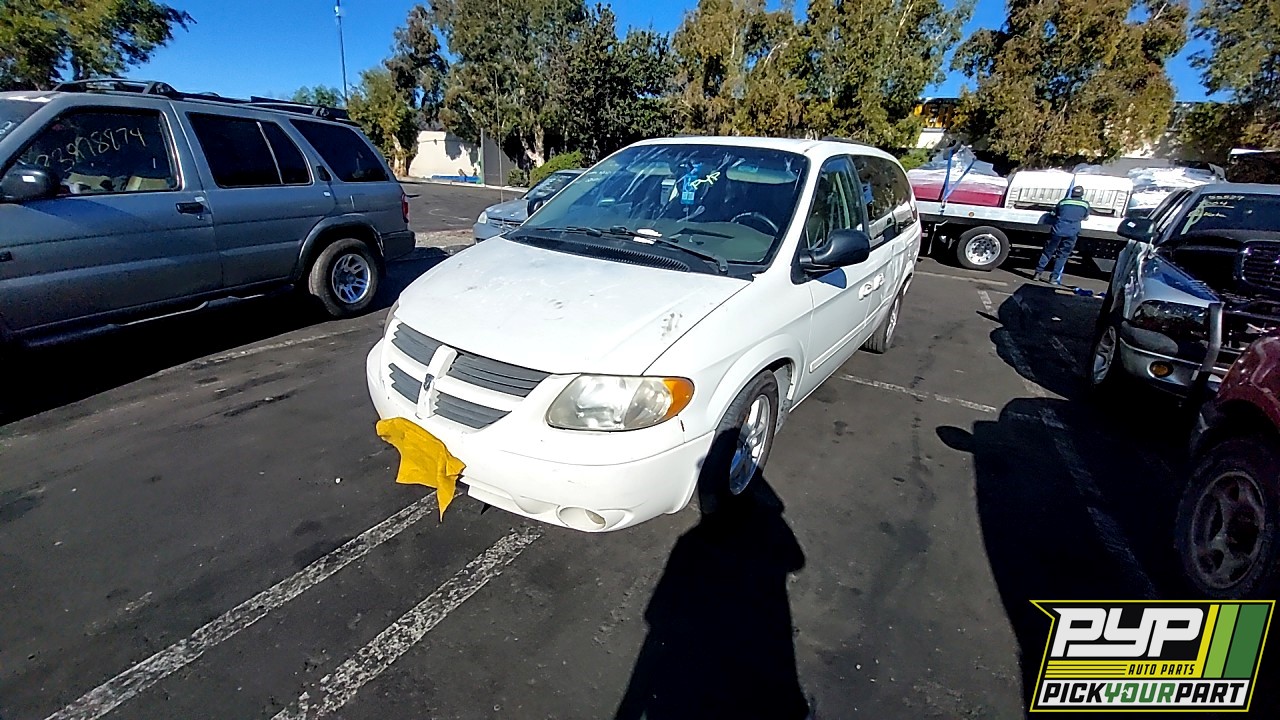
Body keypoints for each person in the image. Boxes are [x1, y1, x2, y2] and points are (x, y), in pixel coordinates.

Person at [1033, 185, 1091, 285]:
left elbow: (1053, 214)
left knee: (1048, 252)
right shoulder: (1085, 204)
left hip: (1058, 230)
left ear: (1072, 193)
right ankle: (1053, 278)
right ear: (1082, 194)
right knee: (1062, 256)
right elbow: (1086, 218)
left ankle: (1038, 274)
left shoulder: (1063, 202)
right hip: (1072, 232)